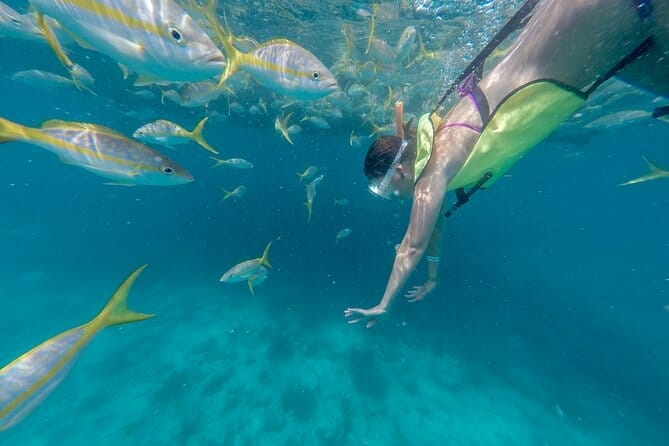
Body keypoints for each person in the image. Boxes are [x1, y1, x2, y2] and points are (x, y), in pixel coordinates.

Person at [345, 0, 669, 328]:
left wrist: (383, 304)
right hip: (607, 28)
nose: (393, 198)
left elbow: (411, 245)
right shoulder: (440, 154)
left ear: (397, 172)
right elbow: (433, 226)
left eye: (383, 190)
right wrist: (432, 276)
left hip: (618, 16)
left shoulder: (434, 172)